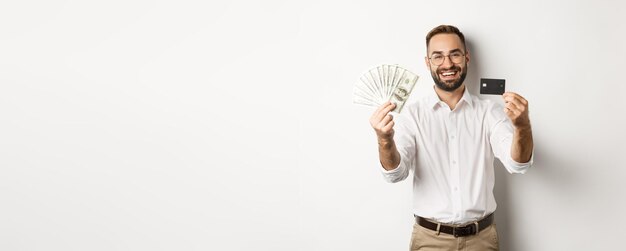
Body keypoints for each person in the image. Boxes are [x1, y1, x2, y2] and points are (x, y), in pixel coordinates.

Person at [369, 25, 534, 251]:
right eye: (438, 57)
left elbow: (517, 164)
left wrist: (522, 126)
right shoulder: (412, 115)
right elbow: (395, 174)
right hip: (429, 241)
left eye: (455, 54)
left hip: (482, 240)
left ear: (466, 58)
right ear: (428, 63)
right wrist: (384, 140)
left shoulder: (489, 112)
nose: (447, 64)